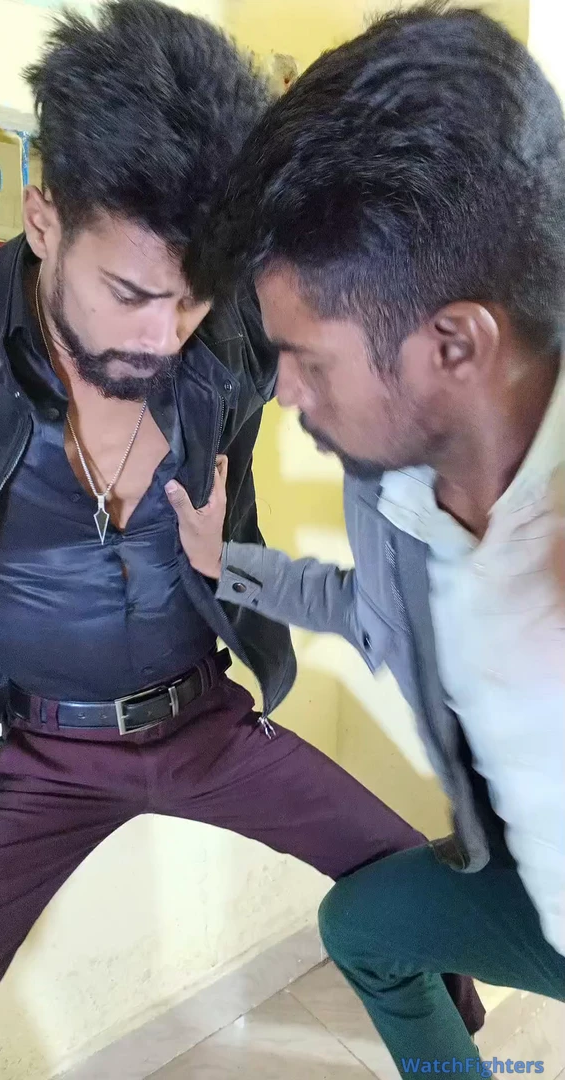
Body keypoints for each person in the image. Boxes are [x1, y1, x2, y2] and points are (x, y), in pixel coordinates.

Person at [0, 0, 482, 1057]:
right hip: (48, 753)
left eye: (193, 300)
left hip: (207, 723)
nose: (164, 338)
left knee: (424, 906)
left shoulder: (235, 334)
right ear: (44, 219)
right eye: (130, 294)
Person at [168, 3, 565, 1074]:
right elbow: (367, 610)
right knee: (367, 929)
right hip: (518, 869)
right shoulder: (386, 476)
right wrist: (224, 564)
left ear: (453, 346)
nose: (281, 394)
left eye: (308, 360)